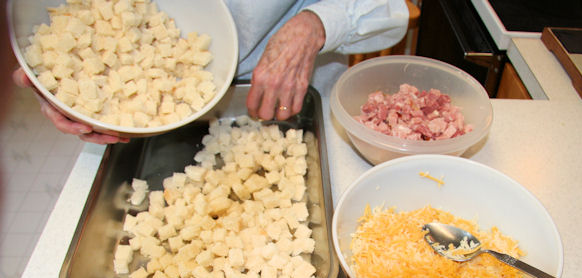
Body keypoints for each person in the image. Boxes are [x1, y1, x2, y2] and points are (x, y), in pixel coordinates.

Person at [13, 0, 409, 144]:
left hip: (299, 89)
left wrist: (316, 24)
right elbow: (62, 18)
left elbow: (392, 9)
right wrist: (61, 82)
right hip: (147, 104)